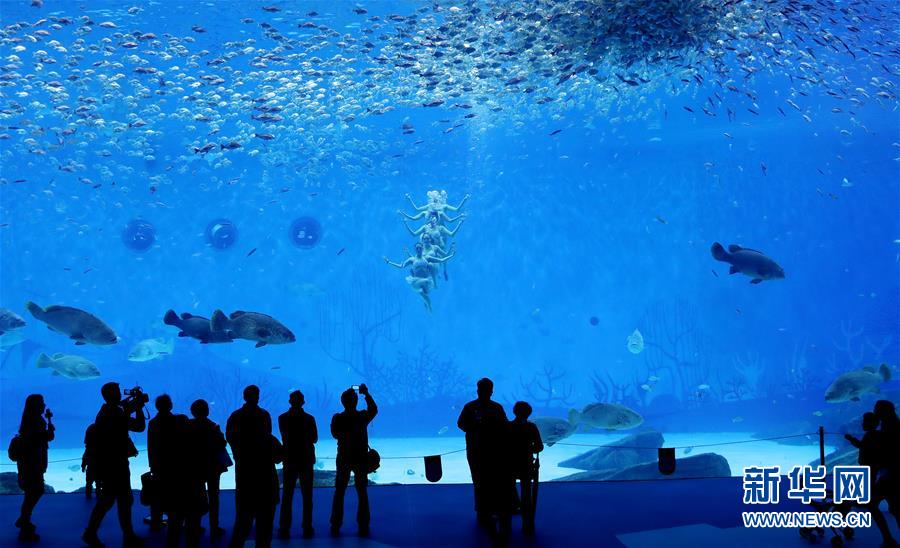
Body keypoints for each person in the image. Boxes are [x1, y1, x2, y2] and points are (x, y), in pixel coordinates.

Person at [83, 382, 148, 548]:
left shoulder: (105, 411)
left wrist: (133, 405)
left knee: (111, 500)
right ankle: (124, 536)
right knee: (121, 500)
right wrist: (139, 407)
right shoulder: (115, 413)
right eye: (118, 391)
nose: (120, 394)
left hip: (108, 463)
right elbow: (139, 426)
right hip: (116, 464)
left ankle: (96, 533)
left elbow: (121, 410)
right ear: (112, 395)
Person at [457, 378, 510, 539]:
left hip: (476, 449)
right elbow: (505, 427)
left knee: (479, 481)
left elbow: (461, 424)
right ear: (491, 391)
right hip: (492, 451)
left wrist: (475, 427)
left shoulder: (470, 406)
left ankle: (482, 511)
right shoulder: (496, 408)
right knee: (491, 480)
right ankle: (490, 510)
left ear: (478, 390)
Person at [226, 385, 279, 548]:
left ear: (244, 396)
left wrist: (240, 454)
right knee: (265, 522)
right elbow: (269, 439)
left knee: (243, 519)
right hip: (265, 475)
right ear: (258, 396)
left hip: (245, 472)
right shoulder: (264, 415)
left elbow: (230, 439)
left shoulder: (235, 416)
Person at [330, 384, 377, 537]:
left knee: (340, 491)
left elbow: (335, 434)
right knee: (362, 491)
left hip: (343, 457)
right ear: (356, 401)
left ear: (342, 402)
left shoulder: (338, 418)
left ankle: (336, 522)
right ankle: (363, 523)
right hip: (360, 457)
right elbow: (374, 409)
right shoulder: (362, 416)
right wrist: (366, 394)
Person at [844, 412, 894, 545]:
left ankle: (888, 539)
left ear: (873, 423)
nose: (862, 424)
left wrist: (851, 439)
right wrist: (852, 439)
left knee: (869, 501)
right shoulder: (875, 435)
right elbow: (863, 446)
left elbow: (865, 447)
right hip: (874, 472)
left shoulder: (873, 435)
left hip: (872, 472)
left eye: (865, 421)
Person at [278, 390, 318, 540]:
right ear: (303, 402)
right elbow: (314, 438)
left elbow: (285, 436)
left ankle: (284, 527)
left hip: (289, 459)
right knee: (307, 496)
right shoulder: (310, 419)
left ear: (290, 402)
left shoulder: (282, 418)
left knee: (287, 495)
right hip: (306, 459)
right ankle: (307, 526)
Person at [14, 394, 54, 542]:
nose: (44, 405)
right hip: (33, 464)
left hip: (29, 463)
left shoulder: (30, 420)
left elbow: (45, 437)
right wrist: (49, 421)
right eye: (42, 403)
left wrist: (48, 420)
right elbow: (48, 437)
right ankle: (24, 524)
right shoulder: (36, 421)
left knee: (31, 493)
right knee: (35, 492)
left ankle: (24, 519)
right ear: (36, 405)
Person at [190, 399, 228, 540]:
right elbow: (222, 444)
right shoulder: (213, 426)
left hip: (195, 467)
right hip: (212, 467)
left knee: (196, 497)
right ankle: (214, 527)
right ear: (207, 411)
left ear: (193, 411)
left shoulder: (188, 426)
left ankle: (195, 526)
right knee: (213, 497)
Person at [384, 242, 455, 312]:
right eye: (417, 248)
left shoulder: (427, 258)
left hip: (426, 281)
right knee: (422, 291)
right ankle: (429, 307)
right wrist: (389, 262)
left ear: (422, 249)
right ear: (415, 249)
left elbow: (441, 260)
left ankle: (428, 306)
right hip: (416, 281)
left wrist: (451, 255)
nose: (418, 249)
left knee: (426, 296)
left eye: (420, 248)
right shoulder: (412, 259)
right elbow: (401, 266)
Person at [509, 401, 543, 535]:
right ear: (529, 413)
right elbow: (540, 447)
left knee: (508, 486)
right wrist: (529, 449)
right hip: (526, 465)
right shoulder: (531, 427)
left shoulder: (508, 427)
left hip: (510, 465)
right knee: (526, 490)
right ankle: (527, 521)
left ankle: (512, 508)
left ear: (514, 411)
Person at [147, 394, 178, 531]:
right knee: (174, 493)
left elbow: (150, 446)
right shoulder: (177, 421)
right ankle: (175, 521)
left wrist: (152, 464)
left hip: (158, 464)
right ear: (170, 405)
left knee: (157, 494)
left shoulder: (153, 423)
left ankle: (156, 521)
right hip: (174, 463)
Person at [874, 400, 900, 529]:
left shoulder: (890, 428)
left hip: (890, 474)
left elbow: (889, 452)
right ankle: (888, 538)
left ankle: (888, 539)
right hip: (889, 473)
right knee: (895, 508)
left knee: (874, 504)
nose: (874, 412)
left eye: (876, 409)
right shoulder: (890, 425)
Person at [399, 190, 469, 223]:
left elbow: (457, 209)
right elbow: (417, 209)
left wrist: (464, 199)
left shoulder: (444, 206)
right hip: (429, 228)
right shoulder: (430, 206)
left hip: (441, 228)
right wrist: (409, 199)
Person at [81, 423, 100, 499]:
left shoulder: (91, 428)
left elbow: (86, 454)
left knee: (89, 481)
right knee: (99, 481)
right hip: (101, 462)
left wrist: (83, 465)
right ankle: (99, 494)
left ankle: (88, 495)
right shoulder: (101, 427)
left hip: (91, 463)